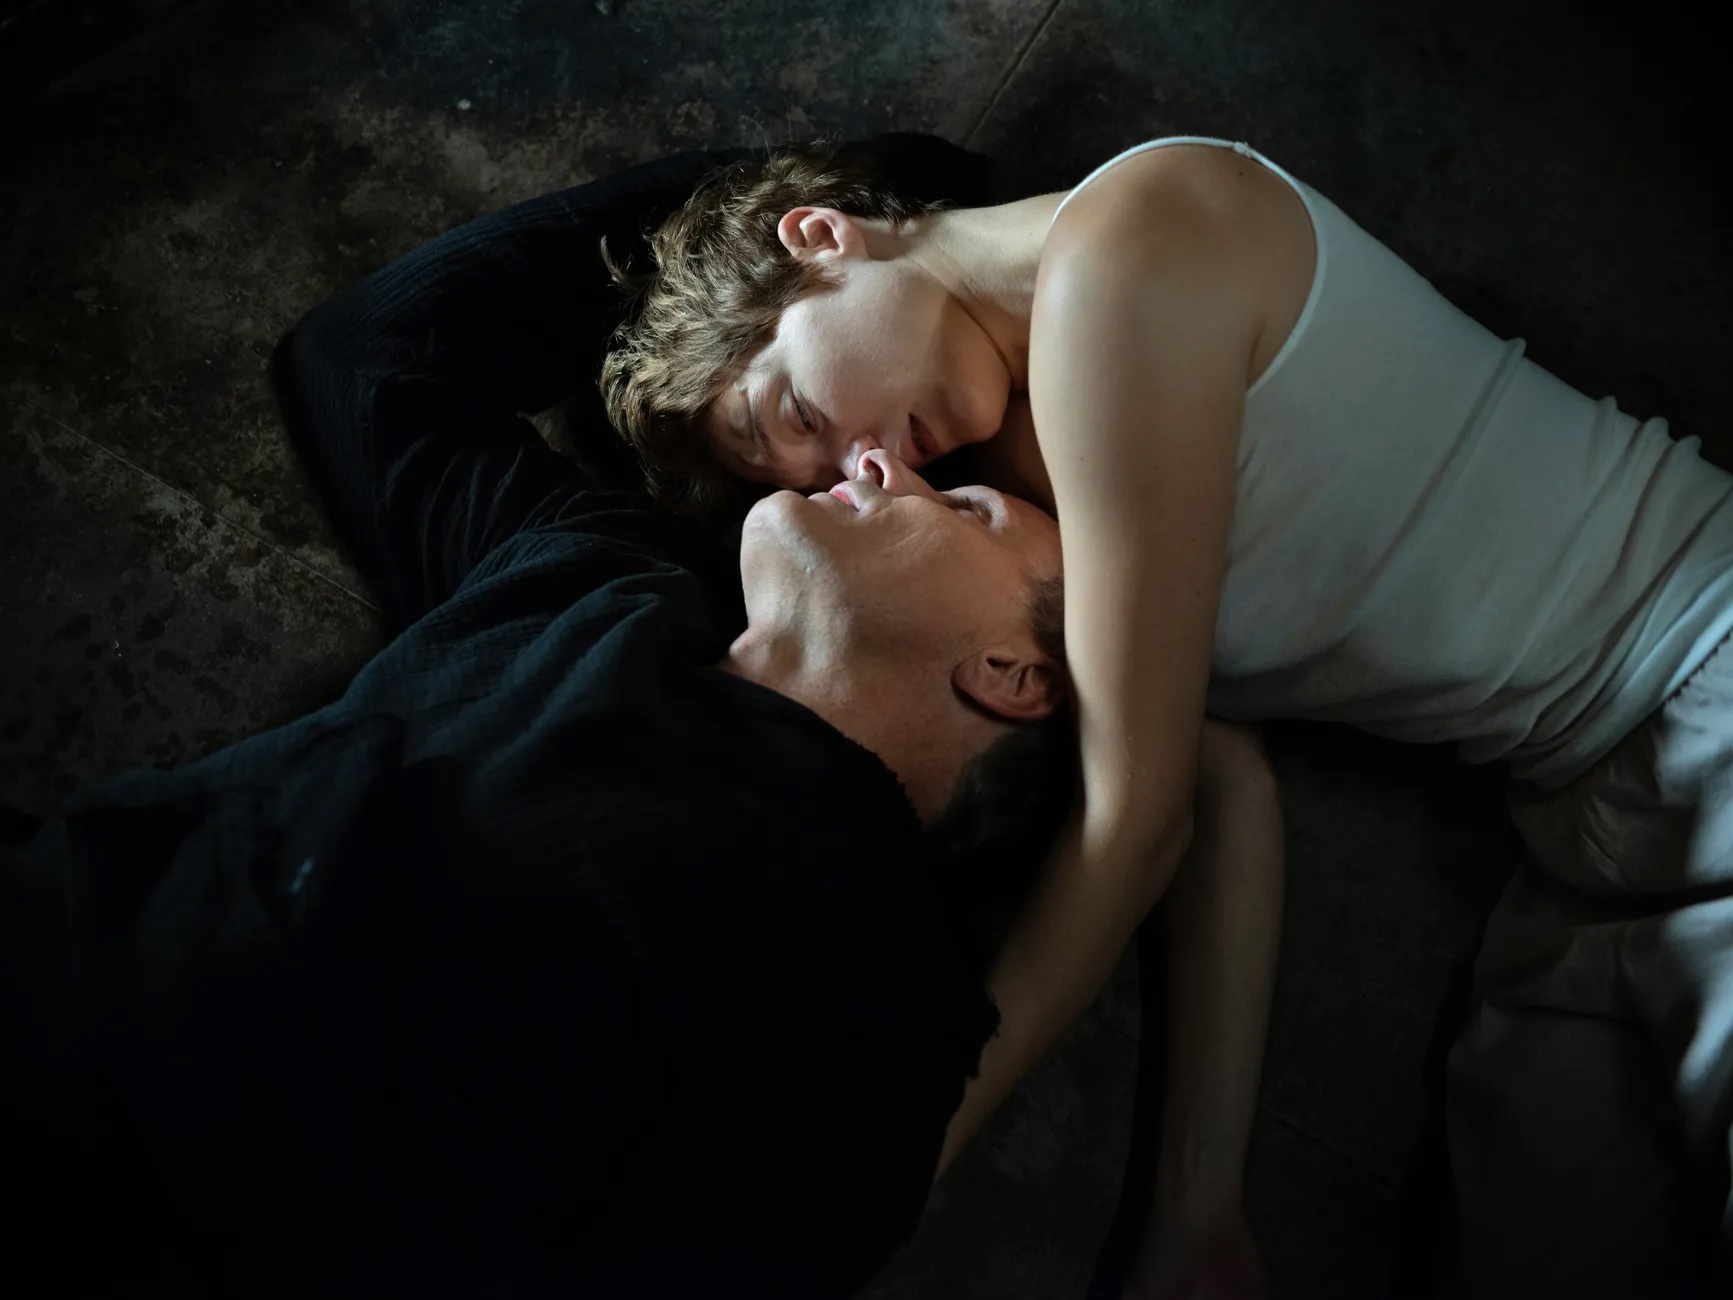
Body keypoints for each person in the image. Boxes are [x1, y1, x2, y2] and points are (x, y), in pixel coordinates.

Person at [602, 133, 1733, 1296]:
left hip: (1705, 670)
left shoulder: (1132, 243)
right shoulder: (1021, 475)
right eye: (818, 477)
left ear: (817, 238)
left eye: (796, 409)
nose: (861, 462)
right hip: (1584, 821)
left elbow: (1132, 820)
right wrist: (1197, 1204)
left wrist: (904, 1160)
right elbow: (1212, 777)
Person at [0, 136, 1128, 1299]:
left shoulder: (881, 1032)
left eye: (968, 506)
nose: (881, 468)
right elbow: (372, 353)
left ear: (1013, 671)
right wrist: (852, 231)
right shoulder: (599, 577)